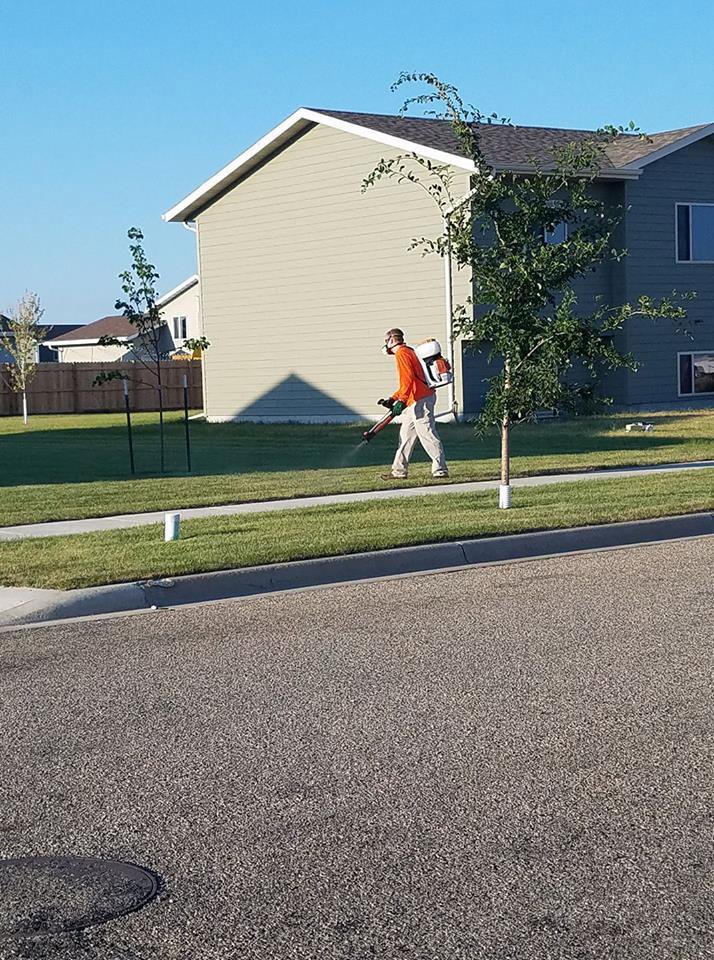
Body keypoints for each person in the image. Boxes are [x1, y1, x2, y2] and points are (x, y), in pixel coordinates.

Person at [378, 328, 449, 479]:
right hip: (414, 400)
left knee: (427, 433)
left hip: (421, 400)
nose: (385, 343)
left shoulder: (402, 354)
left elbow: (408, 380)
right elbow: (408, 383)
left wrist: (401, 401)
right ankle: (398, 471)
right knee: (405, 436)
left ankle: (440, 469)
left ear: (392, 340)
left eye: (386, 340)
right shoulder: (408, 351)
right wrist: (393, 398)